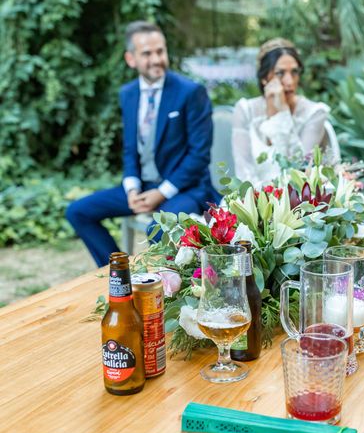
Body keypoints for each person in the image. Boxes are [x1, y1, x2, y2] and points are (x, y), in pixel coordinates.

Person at [66, 21, 217, 267]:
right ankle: (119, 272)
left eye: (160, 51)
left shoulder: (191, 92)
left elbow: (199, 156)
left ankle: (165, 286)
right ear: (131, 58)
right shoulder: (128, 94)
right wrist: (132, 189)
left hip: (185, 188)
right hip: (144, 186)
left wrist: (161, 193)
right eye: (147, 53)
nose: (156, 59)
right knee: (77, 212)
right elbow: (130, 150)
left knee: (157, 229)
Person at [232, 38, 331, 186]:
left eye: (295, 72)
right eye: (280, 73)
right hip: (250, 200)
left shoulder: (315, 113)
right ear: (264, 77)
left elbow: (300, 169)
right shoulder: (245, 110)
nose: (290, 81)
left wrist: (283, 113)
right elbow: (243, 172)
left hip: (298, 202)